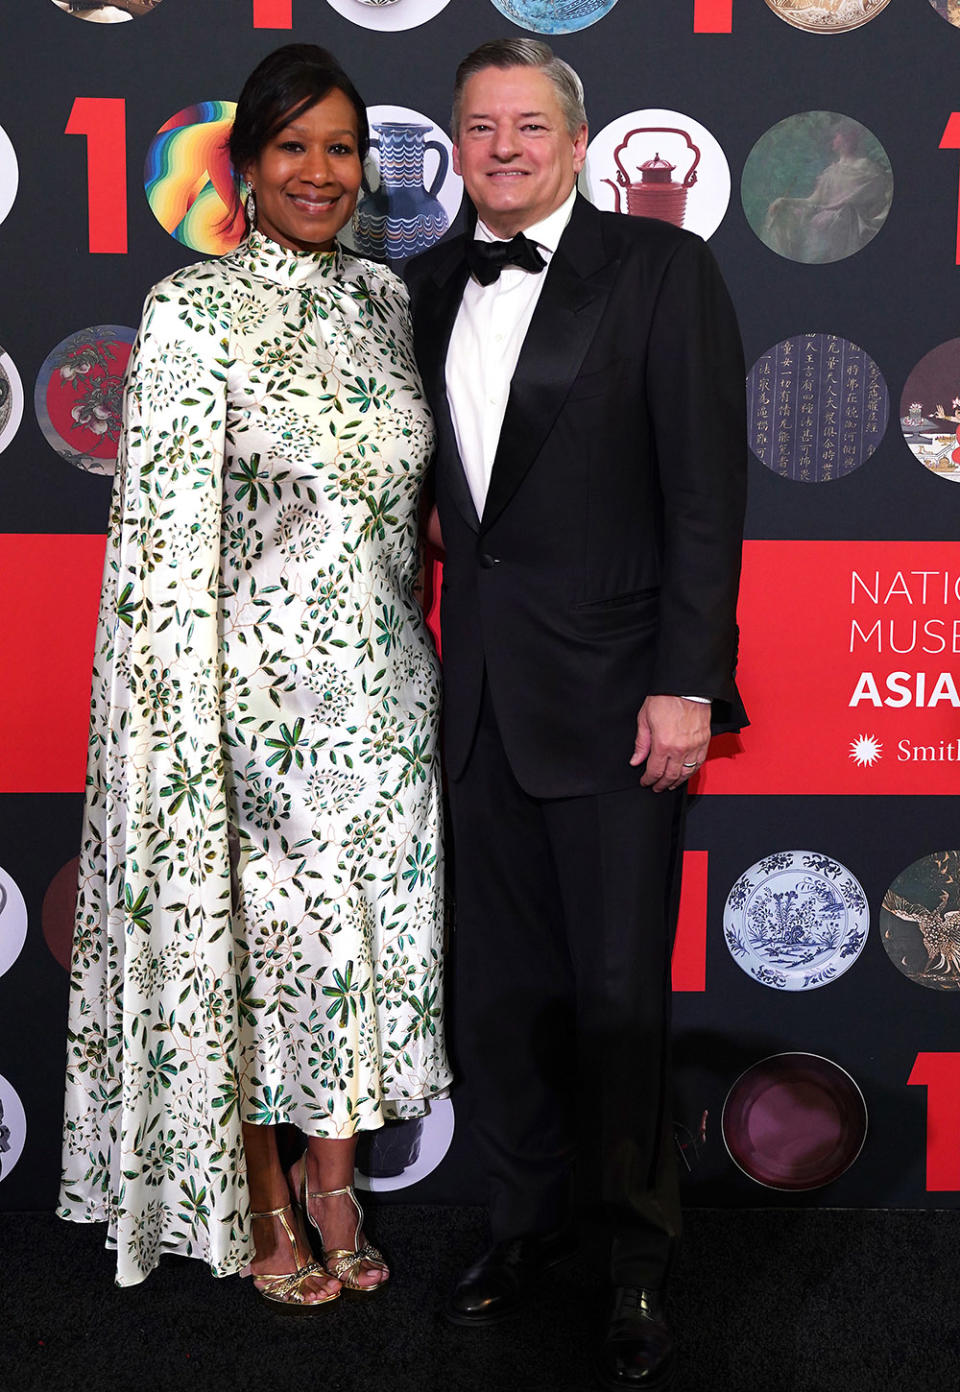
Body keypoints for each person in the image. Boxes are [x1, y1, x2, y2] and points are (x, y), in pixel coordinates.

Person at [59, 43, 450, 1306]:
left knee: (354, 953)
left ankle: (336, 1182)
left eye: (341, 148)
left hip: (386, 703)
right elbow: (158, 548)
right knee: (247, 953)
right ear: (246, 167)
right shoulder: (193, 312)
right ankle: (262, 1196)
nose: (321, 172)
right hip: (244, 709)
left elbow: (415, 511)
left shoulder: (388, 302)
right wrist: (173, 734)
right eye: (294, 148)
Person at [405, 38, 746, 1390]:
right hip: (476, 702)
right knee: (498, 1004)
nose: (501, 146)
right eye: (478, 126)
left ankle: (637, 1268)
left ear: (579, 138)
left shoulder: (663, 271)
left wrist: (687, 683)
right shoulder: (424, 285)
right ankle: (521, 1227)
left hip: (618, 706)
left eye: (526, 124)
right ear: (455, 147)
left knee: (614, 1003)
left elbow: (706, 497)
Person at [762, 120, 892, 265]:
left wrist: (839, 206)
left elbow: (873, 194)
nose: (833, 141)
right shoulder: (830, 172)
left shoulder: (864, 166)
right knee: (783, 212)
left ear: (846, 138)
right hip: (825, 213)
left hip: (847, 218)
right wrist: (785, 201)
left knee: (831, 220)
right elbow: (813, 201)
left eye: (836, 137)